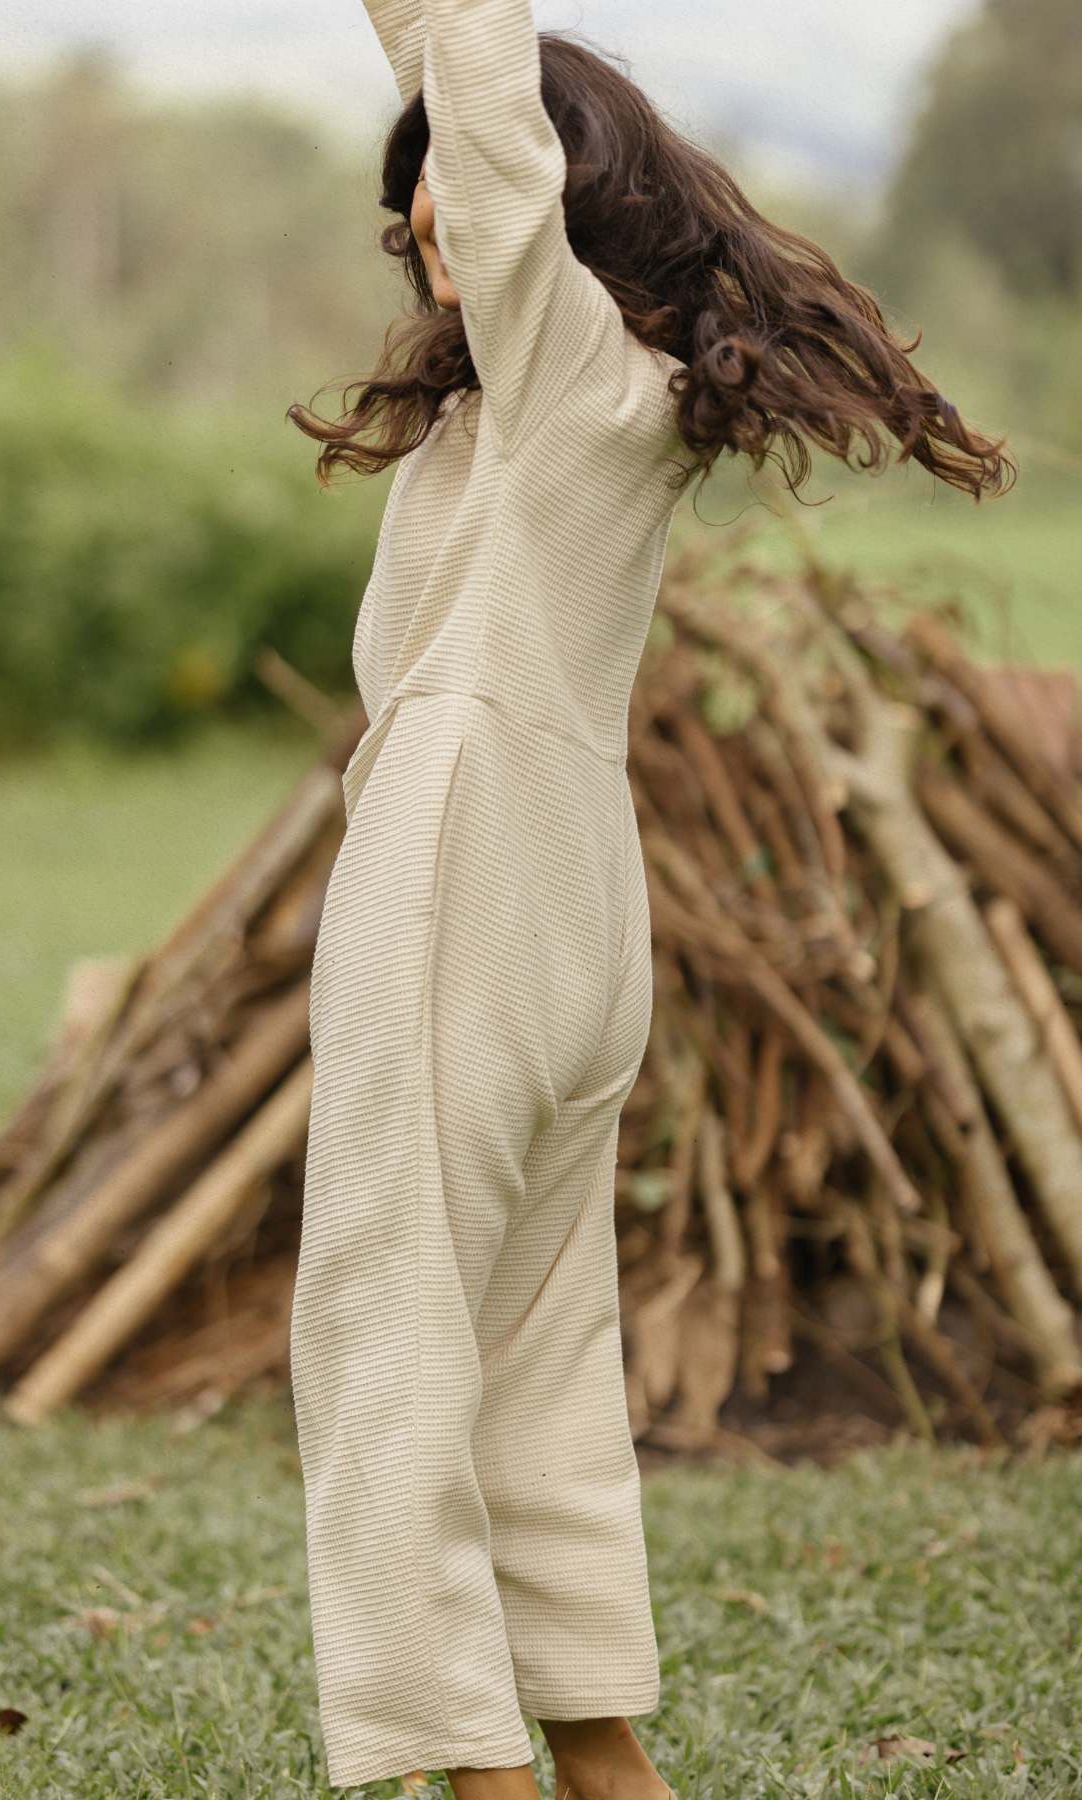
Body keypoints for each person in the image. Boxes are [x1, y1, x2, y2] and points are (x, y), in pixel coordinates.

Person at [286, 3, 1015, 1796]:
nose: (431, 224)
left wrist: (448, 62)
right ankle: (607, 1762)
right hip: (571, 883)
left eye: (459, 187)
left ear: (557, 198)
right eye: (415, 207)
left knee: (384, 1326)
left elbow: (483, 83)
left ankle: (477, 1773)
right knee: (539, 1341)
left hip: (466, 849)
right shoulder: (616, 395)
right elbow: (478, 125)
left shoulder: (561, 365)